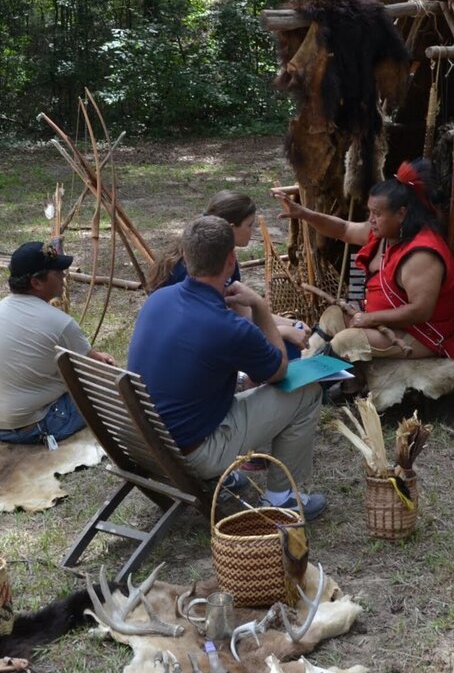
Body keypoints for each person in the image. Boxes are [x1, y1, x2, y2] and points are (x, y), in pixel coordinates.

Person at [128, 215, 327, 520]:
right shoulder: (227, 326)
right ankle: (281, 499)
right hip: (193, 455)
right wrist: (259, 305)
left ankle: (234, 481)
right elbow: (278, 371)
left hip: (146, 443)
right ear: (231, 259)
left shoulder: (159, 299)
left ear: (186, 256)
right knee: (307, 391)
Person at [272, 158, 454, 382]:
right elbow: (343, 229)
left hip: (424, 335)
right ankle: (297, 369)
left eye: (377, 213)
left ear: (401, 214)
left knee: (347, 341)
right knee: (333, 316)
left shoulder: (422, 254)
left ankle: (311, 386)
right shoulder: (384, 233)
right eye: (370, 212)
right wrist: (304, 214)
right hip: (387, 324)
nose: (371, 219)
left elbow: (421, 311)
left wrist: (370, 318)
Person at [0, 239, 115, 447]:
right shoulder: (60, 322)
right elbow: (95, 367)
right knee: (104, 390)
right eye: (57, 273)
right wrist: (102, 362)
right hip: (31, 426)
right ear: (36, 282)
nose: (63, 277)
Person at [144, 190, 310, 358]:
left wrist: (292, 324)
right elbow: (214, 327)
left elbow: (238, 309)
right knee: (285, 350)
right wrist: (280, 332)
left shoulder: (226, 259)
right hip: (186, 347)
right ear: (230, 229)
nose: (253, 232)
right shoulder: (192, 269)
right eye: (249, 225)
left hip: (206, 334)